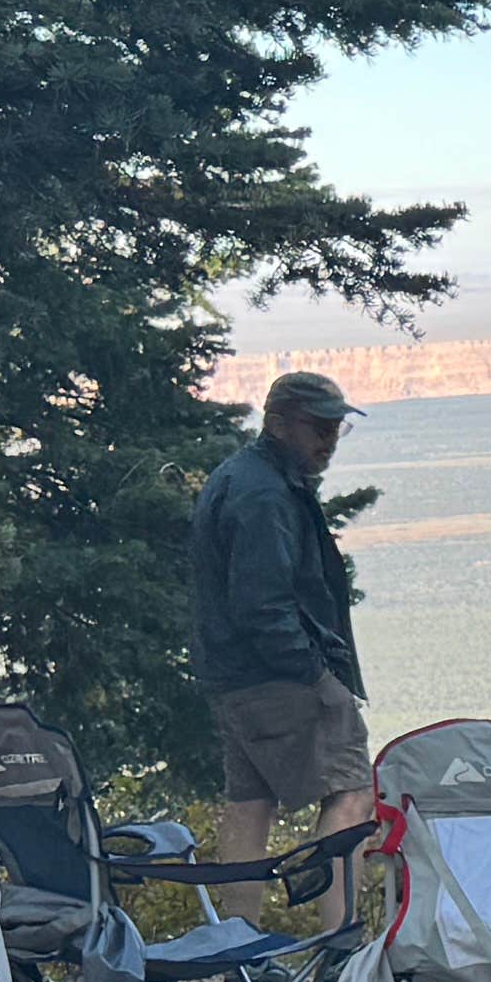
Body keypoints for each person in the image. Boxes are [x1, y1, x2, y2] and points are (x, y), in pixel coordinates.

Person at [190, 368, 371, 860]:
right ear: (278, 423)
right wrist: (318, 678)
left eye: (336, 429)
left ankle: (239, 932)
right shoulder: (265, 494)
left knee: (250, 802)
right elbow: (263, 606)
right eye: (319, 428)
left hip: (233, 678)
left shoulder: (239, 477)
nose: (330, 442)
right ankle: (342, 931)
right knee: (352, 794)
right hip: (279, 680)